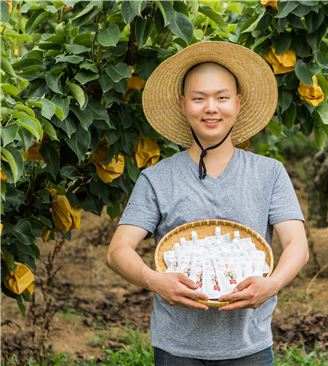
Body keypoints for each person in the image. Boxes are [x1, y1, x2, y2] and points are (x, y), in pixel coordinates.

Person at [106, 41, 309, 365]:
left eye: (222, 97)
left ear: (238, 103)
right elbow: (117, 252)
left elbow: (297, 244)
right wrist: (156, 282)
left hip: (250, 347)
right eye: (199, 98)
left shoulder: (269, 173)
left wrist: (272, 284)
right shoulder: (157, 178)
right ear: (183, 104)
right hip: (177, 349)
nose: (210, 108)